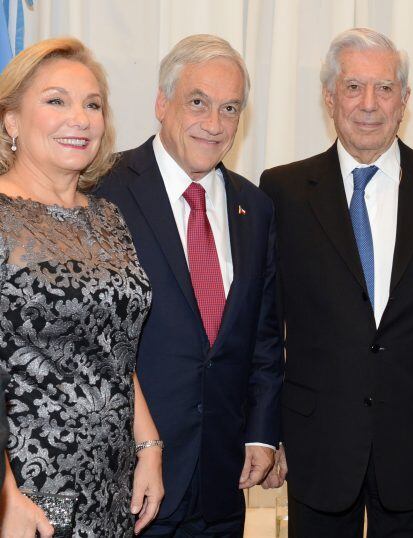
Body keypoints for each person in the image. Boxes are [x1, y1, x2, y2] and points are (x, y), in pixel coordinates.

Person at [259, 27, 413, 538]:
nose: (369, 104)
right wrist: (266, 433)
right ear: (329, 96)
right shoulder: (283, 191)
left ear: (404, 100)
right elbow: (267, 330)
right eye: (353, 86)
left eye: (384, 88)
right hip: (316, 440)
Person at [97, 34, 283, 536]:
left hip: (223, 482)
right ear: (162, 103)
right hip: (131, 478)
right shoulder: (102, 191)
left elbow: (262, 335)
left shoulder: (255, 207)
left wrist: (263, 434)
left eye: (230, 108)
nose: (215, 124)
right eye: (198, 102)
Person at [0, 37, 163, 537]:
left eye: (93, 104)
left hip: (112, 486)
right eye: (56, 101)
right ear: (10, 122)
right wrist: (6, 497)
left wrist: (149, 446)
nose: (81, 118)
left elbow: (114, 348)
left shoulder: (107, 217)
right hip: (30, 491)